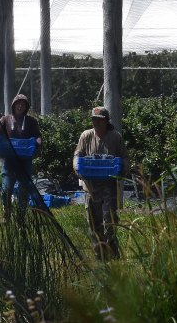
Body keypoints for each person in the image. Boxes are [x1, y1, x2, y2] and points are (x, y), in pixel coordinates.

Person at [73, 106, 128, 261]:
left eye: (99, 120)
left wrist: (122, 169)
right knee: (92, 221)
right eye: (94, 120)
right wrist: (77, 167)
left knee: (109, 220)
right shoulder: (86, 136)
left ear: (106, 121)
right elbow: (78, 155)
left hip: (108, 185)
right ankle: (100, 254)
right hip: (90, 186)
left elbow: (124, 157)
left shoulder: (115, 137)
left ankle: (112, 249)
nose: (96, 122)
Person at [0, 94, 42, 223]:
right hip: (9, 160)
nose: (20, 106)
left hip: (25, 159)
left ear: (26, 107)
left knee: (24, 187)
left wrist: (37, 144)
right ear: (13, 105)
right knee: (6, 188)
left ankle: (21, 214)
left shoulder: (31, 121)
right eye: (18, 103)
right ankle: (6, 211)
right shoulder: (5, 120)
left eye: (23, 104)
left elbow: (37, 136)